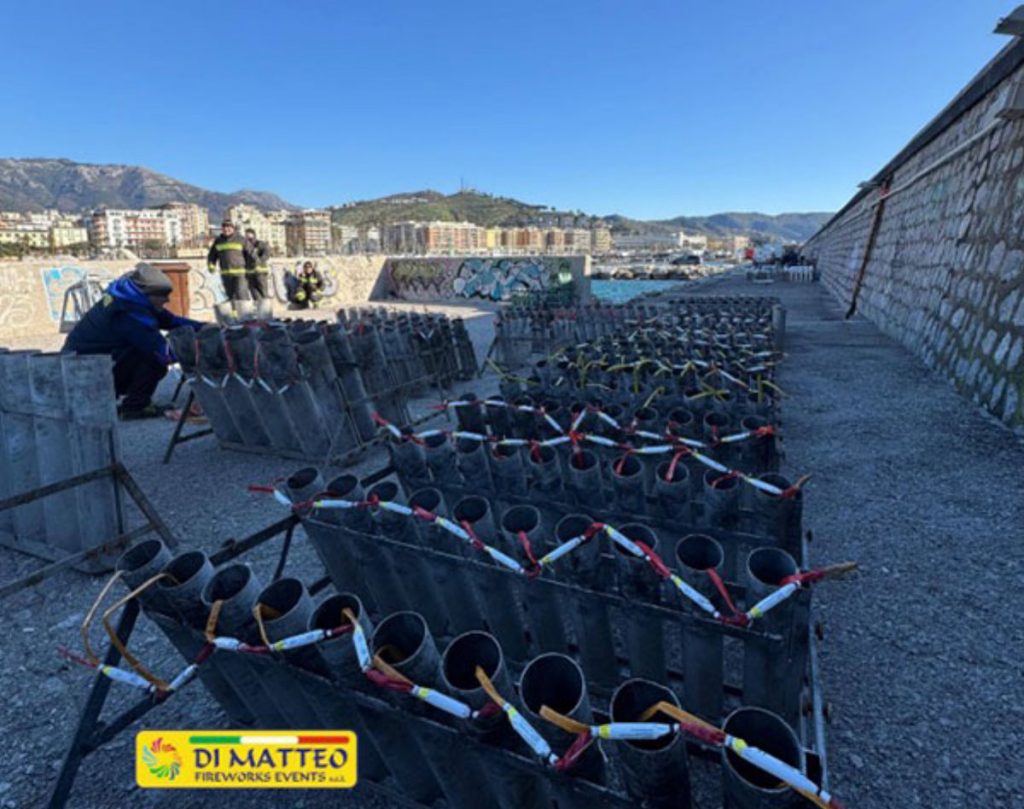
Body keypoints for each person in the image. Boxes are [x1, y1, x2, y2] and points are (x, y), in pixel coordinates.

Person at [63, 263, 205, 419]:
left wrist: (205, 327)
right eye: (163, 295)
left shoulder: (130, 297)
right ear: (148, 294)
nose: (167, 300)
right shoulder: (126, 312)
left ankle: (132, 401)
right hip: (85, 376)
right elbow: (164, 353)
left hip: (95, 366)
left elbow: (170, 320)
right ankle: (135, 407)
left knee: (146, 351)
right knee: (154, 359)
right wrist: (202, 348)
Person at [207, 220, 252, 304]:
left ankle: (247, 315)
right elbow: (212, 255)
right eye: (224, 227)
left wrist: (252, 267)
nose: (226, 229)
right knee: (230, 297)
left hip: (240, 274)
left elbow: (251, 254)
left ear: (233, 229)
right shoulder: (218, 241)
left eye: (229, 227)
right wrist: (211, 265)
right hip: (226, 274)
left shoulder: (241, 239)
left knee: (242, 295)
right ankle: (234, 316)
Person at [243, 227, 271, 300]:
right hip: (249, 273)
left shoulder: (260, 244)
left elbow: (266, 254)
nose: (248, 236)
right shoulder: (244, 246)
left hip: (260, 272)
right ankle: (259, 308)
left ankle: (266, 308)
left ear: (254, 235)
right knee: (254, 293)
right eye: (246, 235)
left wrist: (258, 262)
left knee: (263, 291)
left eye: (249, 234)